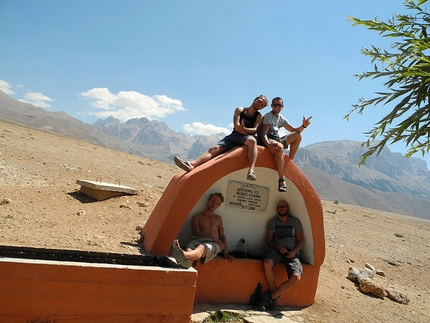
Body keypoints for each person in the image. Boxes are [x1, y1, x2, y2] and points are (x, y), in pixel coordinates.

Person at [174, 95, 268, 181]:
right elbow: (237, 127)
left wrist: (244, 129)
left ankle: (251, 171)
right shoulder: (240, 110)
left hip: (246, 138)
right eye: (259, 101)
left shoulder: (259, 116)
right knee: (214, 148)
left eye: (262, 104)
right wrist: (244, 129)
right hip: (234, 136)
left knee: (252, 141)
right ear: (255, 99)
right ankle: (191, 164)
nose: (259, 104)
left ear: (262, 107)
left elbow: (255, 130)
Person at [258, 97, 312, 192]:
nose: (276, 107)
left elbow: (294, 130)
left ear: (282, 106)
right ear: (271, 106)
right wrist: (269, 145)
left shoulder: (281, 118)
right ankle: (281, 179)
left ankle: (290, 161)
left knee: (298, 135)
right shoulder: (268, 116)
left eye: (279, 105)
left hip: (276, 139)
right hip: (267, 139)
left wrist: (304, 126)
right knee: (280, 147)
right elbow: (263, 134)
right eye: (274, 105)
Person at [171, 192, 235, 268]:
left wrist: (225, 253)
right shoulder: (196, 218)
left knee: (202, 247)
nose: (214, 204)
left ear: (218, 206)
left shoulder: (218, 219)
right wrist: (214, 237)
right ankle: (187, 262)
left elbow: (222, 235)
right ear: (208, 200)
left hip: (212, 243)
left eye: (217, 203)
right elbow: (196, 233)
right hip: (197, 240)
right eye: (213, 201)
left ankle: (181, 253)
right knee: (190, 249)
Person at [261, 199, 304, 309]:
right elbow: (269, 241)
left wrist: (294, 252)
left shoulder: (295, 222)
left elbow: (301, 240)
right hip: (277, 251)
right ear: (277, 209)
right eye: (280, 206)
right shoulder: (272, 222)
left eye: (284, 206)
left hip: (292, 253)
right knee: (267, 263)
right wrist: (278, 247)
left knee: (296, 277)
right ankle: (273, 294)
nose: (282, 208)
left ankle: (270, 297)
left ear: (287, 208)